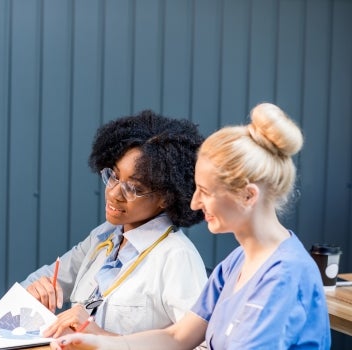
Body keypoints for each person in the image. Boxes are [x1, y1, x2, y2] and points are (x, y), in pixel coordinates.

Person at [50, 103, 331, 349]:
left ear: (248, 195)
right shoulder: (236, 264)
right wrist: (100, 343)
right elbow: (176, 338)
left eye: (205, 192)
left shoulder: (285, 276)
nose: (194, 203)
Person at [21, 110, 208, 337]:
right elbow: (37, 283)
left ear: (166, 198)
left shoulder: (177, 257)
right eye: (114, 176)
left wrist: (98, 335)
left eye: (134, 188)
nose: (114, 193)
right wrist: (34, 292)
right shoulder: (104, 237)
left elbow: (201, 345)